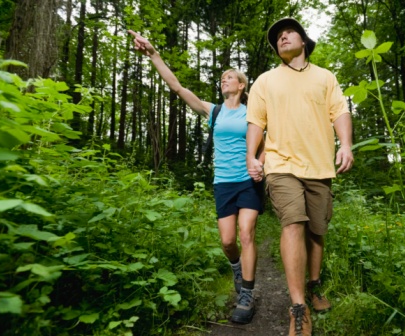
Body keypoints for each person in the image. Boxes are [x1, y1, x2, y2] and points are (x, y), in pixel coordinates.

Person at [128, 30, 264, 324]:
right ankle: (237, 270)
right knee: (228, 242)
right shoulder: (213, 112)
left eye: (229, 77)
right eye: (222, 77)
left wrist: (259, 164)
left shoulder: (253, 111)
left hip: (248, 180)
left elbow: (268, 141)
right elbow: (177, 87)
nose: (223, 80)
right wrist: (153, 53)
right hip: (223, 183)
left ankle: (247, 295)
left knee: (246, 232)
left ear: (241, 85)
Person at [245, 18, 354, 336]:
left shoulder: (325, 77)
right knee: (293, 223)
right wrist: (252, 156)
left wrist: (345, 144)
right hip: (281, 165)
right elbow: (256, 123)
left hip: (320, 166)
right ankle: (298, 307)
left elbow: (340, 112)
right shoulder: (265, 81)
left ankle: (315, 284)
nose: (282, 37)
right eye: (278, 36)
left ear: (304, 41)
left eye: (288, 32)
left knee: (317, 231)